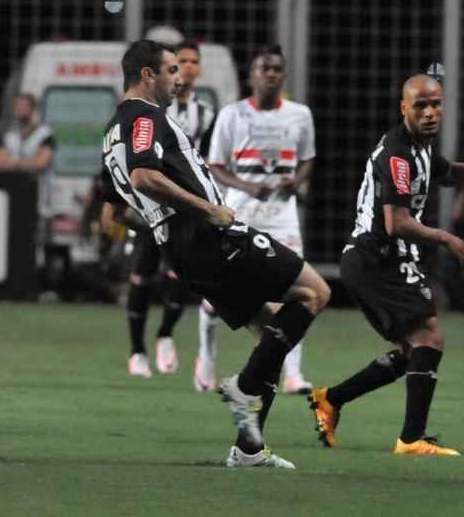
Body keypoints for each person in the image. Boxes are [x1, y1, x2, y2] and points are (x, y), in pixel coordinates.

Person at [101, 40, 329, 468]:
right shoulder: (145, 117)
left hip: (184, 251)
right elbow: (144, 175)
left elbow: (112, 213)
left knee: (270, 340)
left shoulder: (111, 131)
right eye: (170, 69)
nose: (179, 77)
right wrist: (207, 211)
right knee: (315, 293)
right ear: (147, 75)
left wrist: (160, 225)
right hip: (210, 236)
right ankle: (243, 388)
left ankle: (248, 449)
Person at [308, 75, 464, 456]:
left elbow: (452, 175)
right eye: (420, 106)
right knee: (429, 337)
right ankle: (411, 439)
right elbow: (395, 222)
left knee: (415, 348)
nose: (430, 112)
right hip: (375, 256)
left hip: (383, 257)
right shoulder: (398, 154)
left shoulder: (422, 147)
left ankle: (331, 399)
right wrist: (446, 237)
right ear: (404, 108)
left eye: (436, 104)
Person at [202, 45, 316, 394]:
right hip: (241, 211)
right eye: (265, 68)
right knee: (220, 291)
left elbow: (308, 157)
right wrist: (247, 185)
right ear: (251, 74)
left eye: (277, 69)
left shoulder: (300, 114)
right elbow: (216, 165)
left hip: (283, 215)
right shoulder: (232, 115)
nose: (271, 74)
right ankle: (206, 356)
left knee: (299, 293)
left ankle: (292, 373)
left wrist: (297, 180)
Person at [113, 41, 218, 379]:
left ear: (199, 68)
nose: (186, 68)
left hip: (185, 208)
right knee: (142, 274)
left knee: (181, 276)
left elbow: (208, 162)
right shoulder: (148, 109)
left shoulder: (206, 115)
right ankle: (136, 350)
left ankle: (165, 335)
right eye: (178, 63)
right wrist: (111, 202)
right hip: (151, 205)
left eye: (191, 62)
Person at [0, 91, 56, 258]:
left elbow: (42, 162)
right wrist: (24, 163)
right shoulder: (9, 134)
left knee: (36, 244)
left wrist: (15, 162)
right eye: (16, 107)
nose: (18, 110)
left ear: (32, 109)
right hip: (14, 199)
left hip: (40, 200)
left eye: (22, 107)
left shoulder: (45, 134)